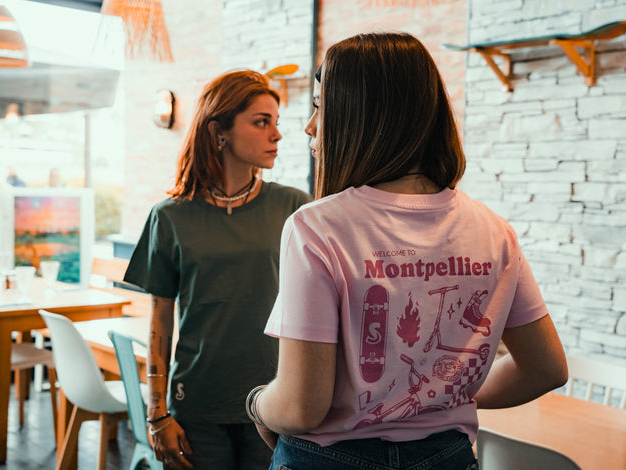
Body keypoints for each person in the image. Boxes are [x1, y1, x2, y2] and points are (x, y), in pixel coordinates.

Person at [248, 32, 568, 470]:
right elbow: (546, 369)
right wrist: (438, 394)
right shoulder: (494, 231)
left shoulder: (315, 227)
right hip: (448, 457)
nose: (309, 125)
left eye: (320, 106)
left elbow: (302, 407)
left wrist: (258, 404)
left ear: (359, 115)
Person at [123, 69, 312, 470]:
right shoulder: (169, 217)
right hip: (197, 406)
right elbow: (159, 320)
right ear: (219, 131)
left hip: (276, 401)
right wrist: (156, 414)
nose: (276, 135)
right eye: (262, 123)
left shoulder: (295, 208)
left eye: (276, 123)